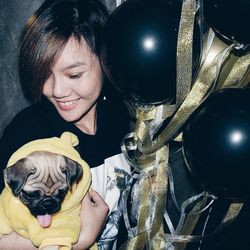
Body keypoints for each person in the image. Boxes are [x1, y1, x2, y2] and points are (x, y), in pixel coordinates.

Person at [0, 0, 131, 249]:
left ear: (105, 60)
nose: (57, 91)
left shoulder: (122, 113)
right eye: (44, 74)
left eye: (74, 75)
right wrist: (78, 242)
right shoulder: (28, 133)